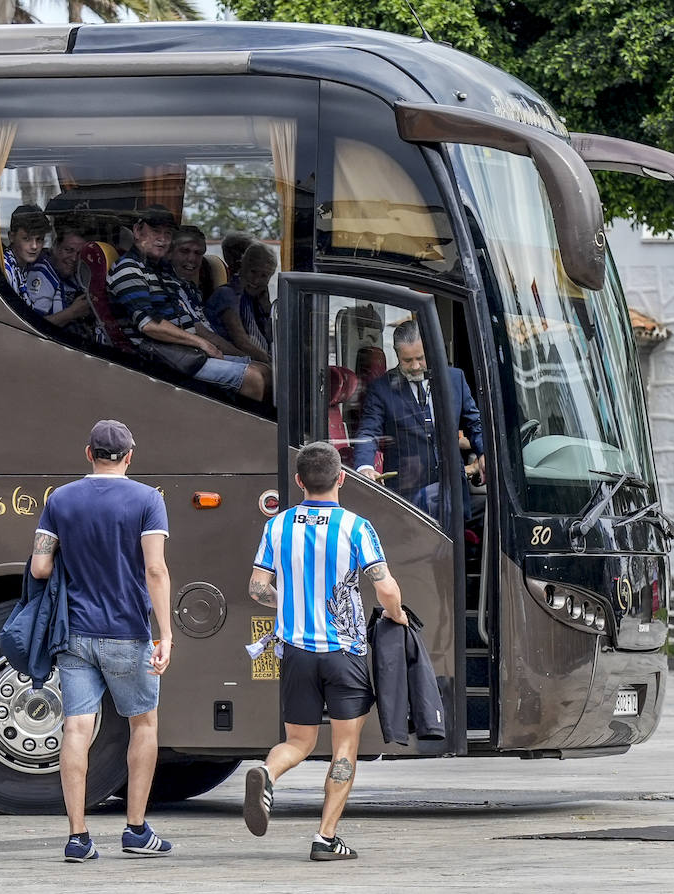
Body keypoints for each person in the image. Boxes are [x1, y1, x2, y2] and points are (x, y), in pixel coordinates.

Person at [243, 441, 406, 861]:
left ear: (299, 481)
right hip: (344, 654)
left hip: (296, 651)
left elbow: (257, 589)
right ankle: (325, 838)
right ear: (342, 479)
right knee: (344, 748)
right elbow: (384, 587)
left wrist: (291, 603)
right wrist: (398, 615)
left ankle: (267, 771)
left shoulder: (276, 526)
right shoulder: (356, 526)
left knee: (297, 741)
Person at [30, 420, 175, 863]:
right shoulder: (148, 500)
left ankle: (78, 836)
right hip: (128, 632)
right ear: (129, 456)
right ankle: (135, 829)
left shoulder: (60, 499)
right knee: (143, 724)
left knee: (76, 728)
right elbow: (155, 569)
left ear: (87, 452)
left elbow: (39, 566)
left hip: (74, 633)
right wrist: (165, 633)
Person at [107, 204, 269, 401]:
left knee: (265, 371)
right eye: (156, 231)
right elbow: (149, 325)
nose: (162, 239)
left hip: (183, 351)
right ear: (138, 231)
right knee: (254, 378)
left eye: (168, 234)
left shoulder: (159, 273)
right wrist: (202, 343)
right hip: (159, 356)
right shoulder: (129, 269)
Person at [353, 320, 485, 516]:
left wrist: (484, 454)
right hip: (407, 494)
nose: (415, 366)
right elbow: (368, 432)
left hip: (452, 491)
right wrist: (364, 467)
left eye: (420, 358)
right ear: (397, 355)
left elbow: (475, 424)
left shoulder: (455, 379)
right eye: (407, 361)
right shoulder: (381, 389)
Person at [167, 225, 247, 359]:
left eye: (198, 253)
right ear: (170, 253)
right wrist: (246, 357)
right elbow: (203, 333)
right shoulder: (168, 288)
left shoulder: (192, 289)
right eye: (185, 251)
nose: (192, 259)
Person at [205, 240, 275, 364]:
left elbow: (271, 337)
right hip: (230, 361)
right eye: (253, 271)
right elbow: (242, 342)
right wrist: (273, 364)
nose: (256, 280)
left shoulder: (255, 299)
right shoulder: (227, 294)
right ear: (243, 266)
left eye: (264, 276)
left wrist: (266, 308)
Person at [25, 218, 95, 341]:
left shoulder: (75, 274)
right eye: (68, 250)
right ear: (55, 246)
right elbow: (31, 328)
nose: (74, 258)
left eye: (80, 254)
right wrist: (73, 312)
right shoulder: (41, 273)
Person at [5, 203, 49, 300]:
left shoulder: (25, 266)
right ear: (12, 237)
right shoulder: (6, 271)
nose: (34, 246)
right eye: (26, 239)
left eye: (39, 239)